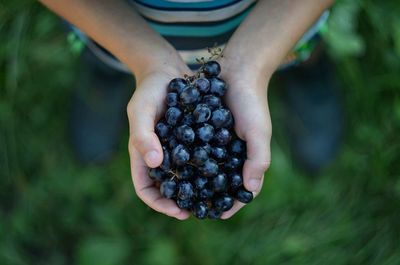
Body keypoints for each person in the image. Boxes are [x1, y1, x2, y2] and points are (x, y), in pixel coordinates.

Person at [40, 0, 341, 220]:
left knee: (298, 52)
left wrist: (253, 64)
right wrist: (145, 61)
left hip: (278, 26)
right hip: (114, 27)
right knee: (108, 58)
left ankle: (305, 73)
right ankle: (109, 76)